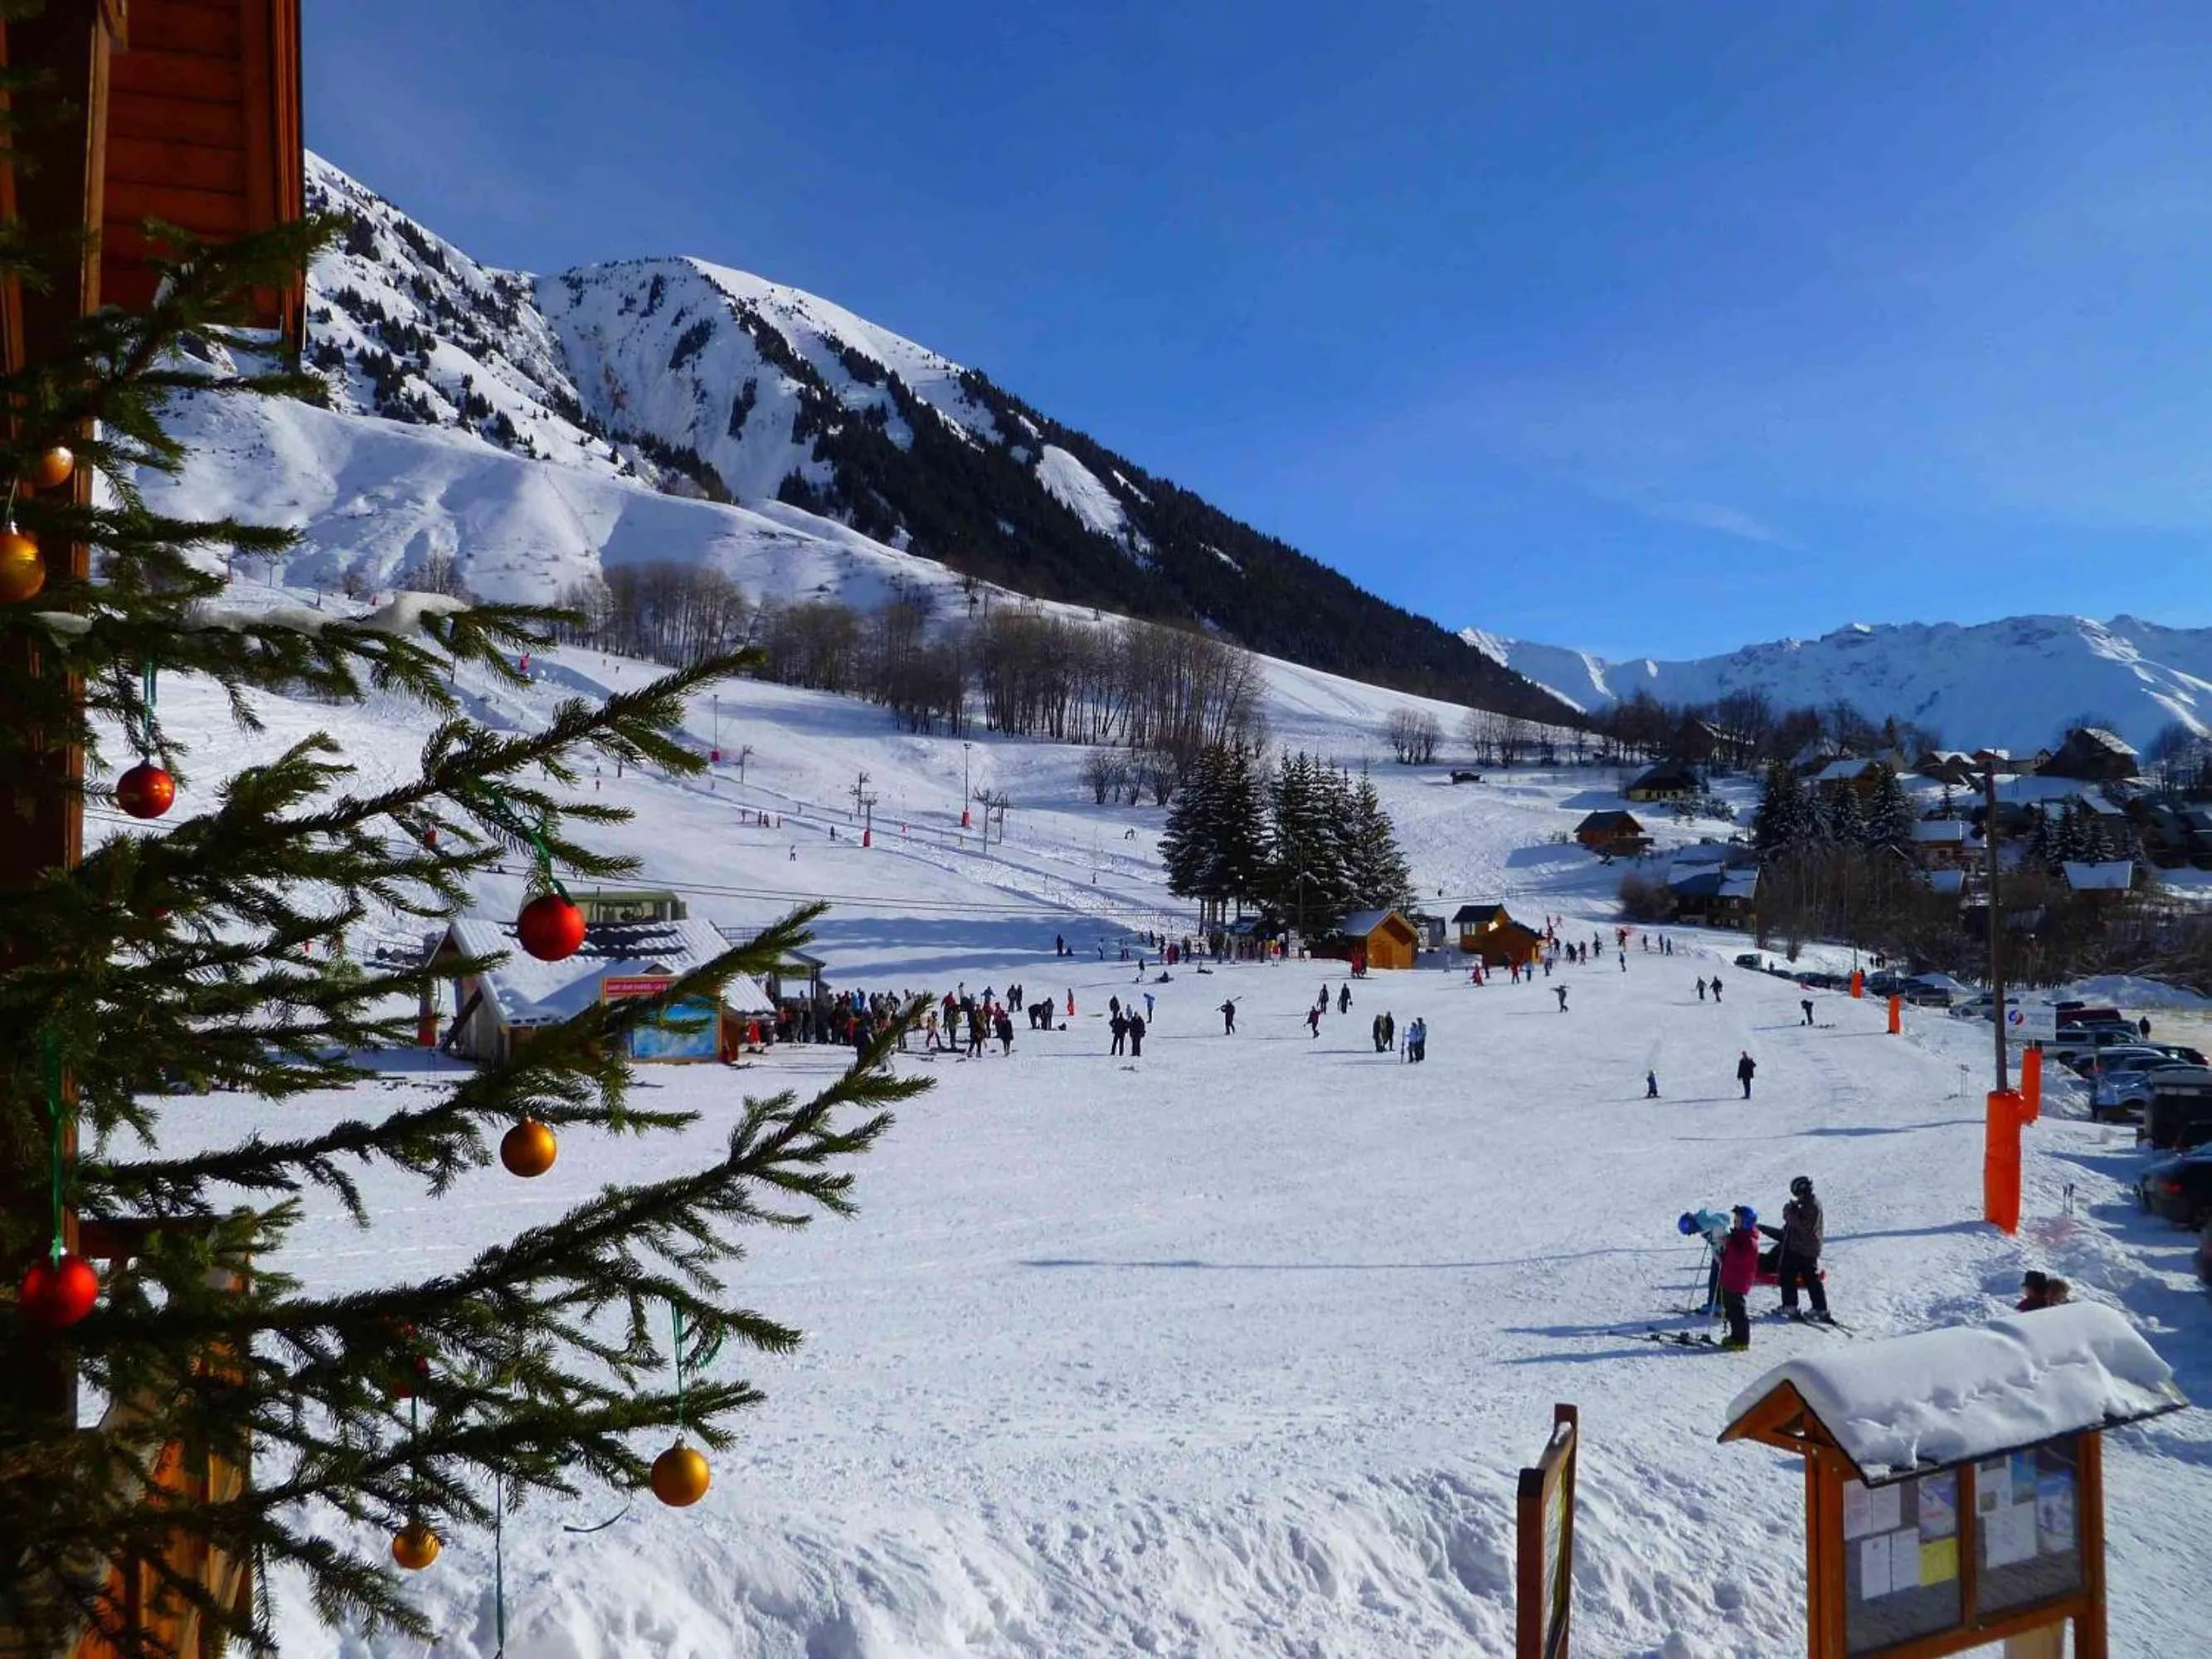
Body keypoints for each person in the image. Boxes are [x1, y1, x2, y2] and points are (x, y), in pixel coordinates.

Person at [1770, 1175, 1830, 1322]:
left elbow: (1804, 1227)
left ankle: (1792, 1305)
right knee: (1810, 1278)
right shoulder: (1808, 1203)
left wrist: (1790, 1213)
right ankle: (1819, 1307)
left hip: (1801, 1248)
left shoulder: (1811, 1205)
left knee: (1789, 1274)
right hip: (1806, 1247)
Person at [1718, 1205, 1761, 1350]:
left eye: (1738, 1220)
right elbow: (1730, 1256)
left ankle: (1742, 1340)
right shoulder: (1737, 1236)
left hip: (1738, 1281)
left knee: (1738, 1311)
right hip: (1730, 1278)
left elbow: (1740, 1257)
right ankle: (1735, 1336)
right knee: (1730, 1309)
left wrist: (1729, 1244)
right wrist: (1722, 1253)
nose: (1735, 1223)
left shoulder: (1749, 1241)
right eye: (1735, 1220)